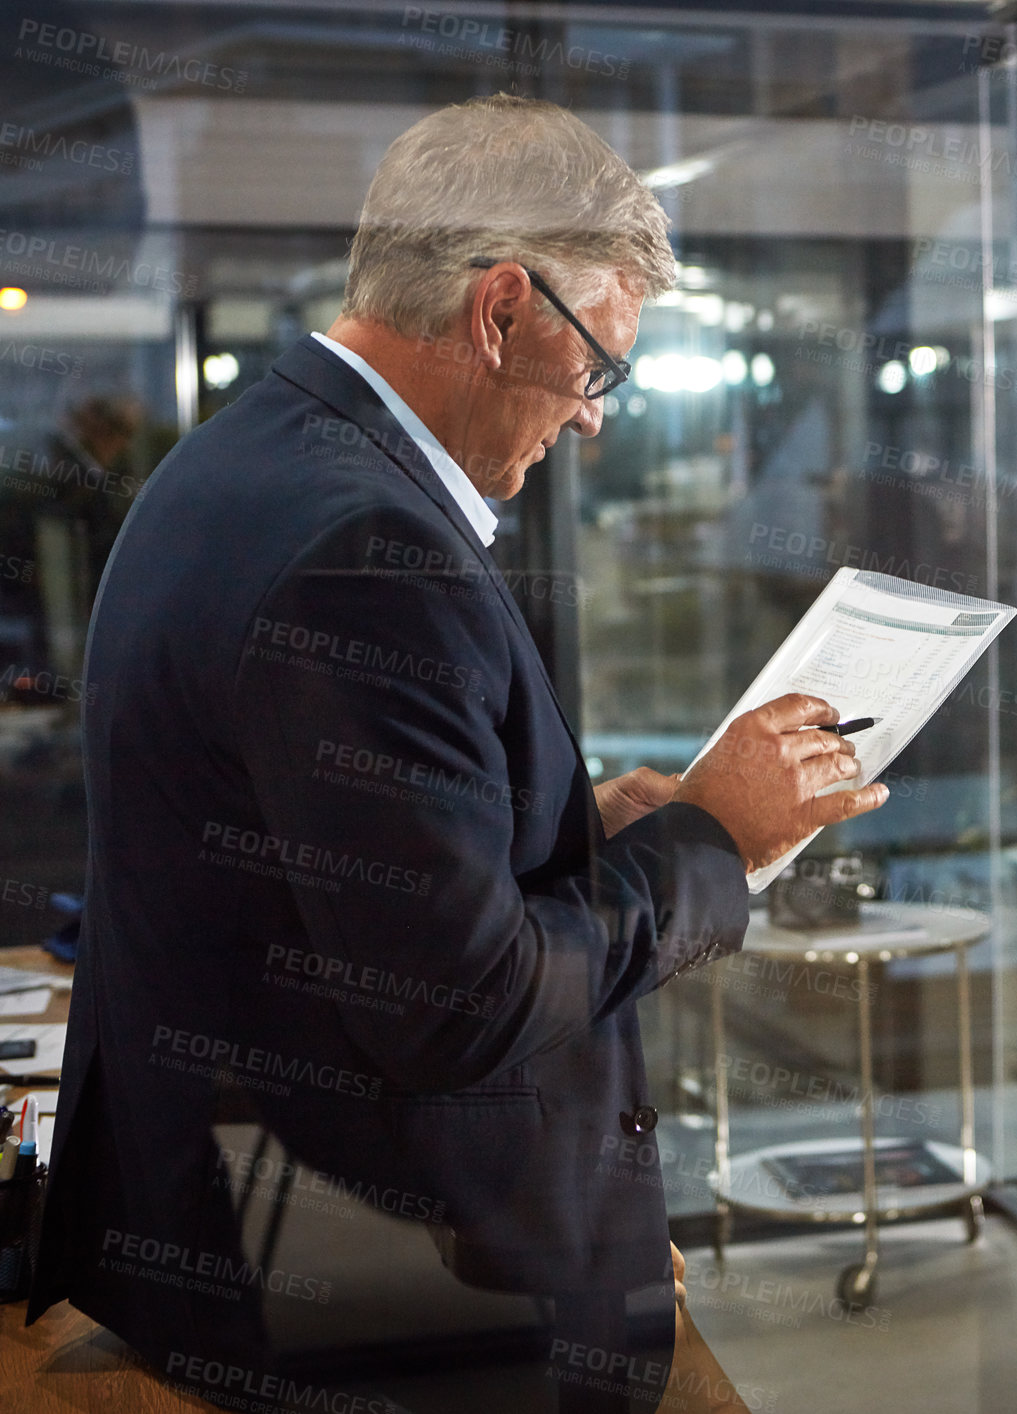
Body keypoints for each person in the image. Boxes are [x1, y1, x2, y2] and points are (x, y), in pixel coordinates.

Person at [25, 95, 887, 1411]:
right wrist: (713, 840)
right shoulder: (368, 558)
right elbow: (457, 1005)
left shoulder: (240, 462)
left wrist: (569, 825)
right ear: (498, 311)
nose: (595, 417)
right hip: (365, 1298)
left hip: (232, 1228)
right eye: (598, 366)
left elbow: (312, 854)